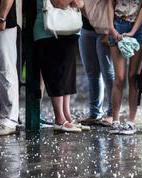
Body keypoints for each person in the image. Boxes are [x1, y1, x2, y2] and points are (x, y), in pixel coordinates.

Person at [34, 0, 87, 133]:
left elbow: (80, 4)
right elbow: (60, 3)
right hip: (50, 31)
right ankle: (59, 118)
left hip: (67, 29)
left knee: (66, 74)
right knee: (56, 73)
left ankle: (66, 116)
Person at [108, 0, 142, 135]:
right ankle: (115, 120)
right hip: (117, 24)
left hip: (138, 28)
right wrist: (111, 28)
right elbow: (110, 4)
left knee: (133, 77)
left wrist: (132, 32)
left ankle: (131, 121)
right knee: (119, 78)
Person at [79, 16, 115, 127]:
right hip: (85, 27)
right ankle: (95, 113)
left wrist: (110, 29)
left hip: (104, 29)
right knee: (92, 73)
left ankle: (112, 113)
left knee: (108, 74)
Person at [0, 0, 19, 136]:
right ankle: (8, 118)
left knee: (7, 69)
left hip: (5, 22)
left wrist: (2, 17)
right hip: (4, 20)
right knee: (6, 68)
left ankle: (10, 119)